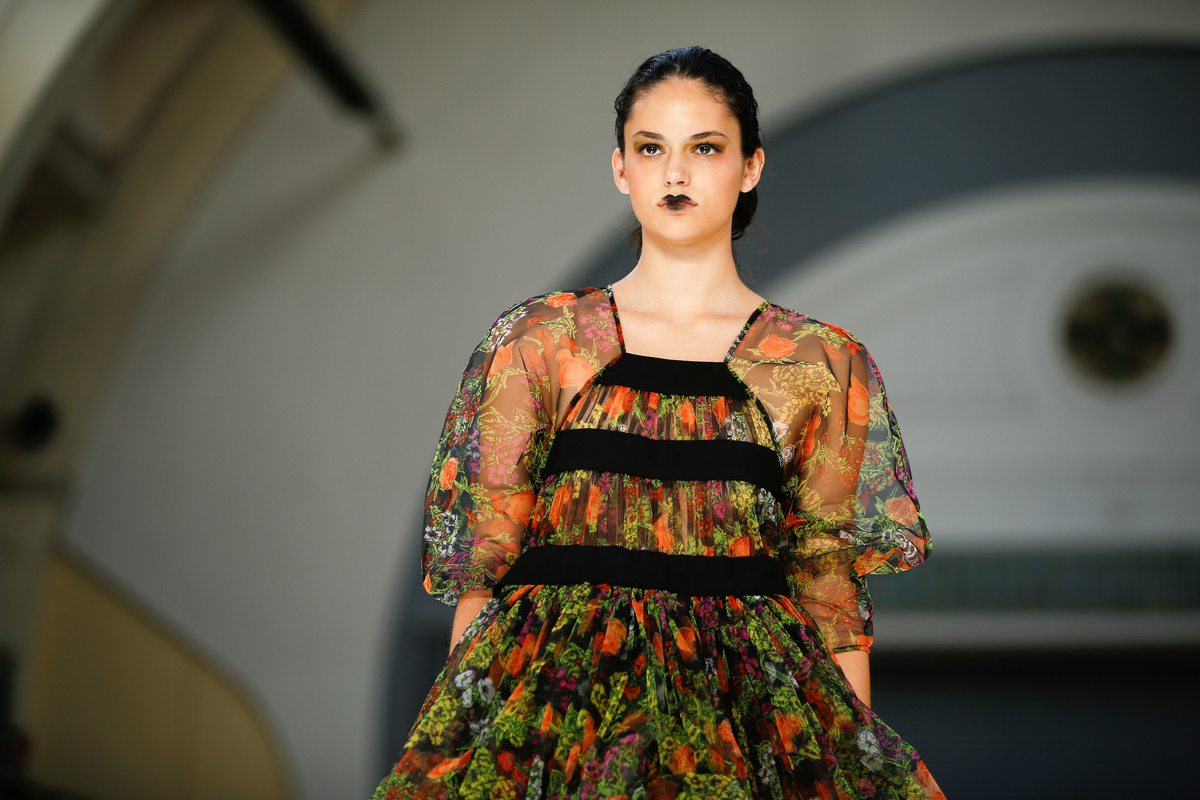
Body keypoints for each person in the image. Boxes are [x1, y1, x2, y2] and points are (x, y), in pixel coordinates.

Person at [373, 46, 944, 799]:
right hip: (553, 718)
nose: (675, 173)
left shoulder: (818, 364)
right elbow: (486, 570)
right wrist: (457, 757)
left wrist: (848, 772)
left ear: (750, 167)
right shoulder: (541, 343)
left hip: (744, 720)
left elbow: (829, 594)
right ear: (621, 169)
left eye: (704, 148)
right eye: (651, 149)